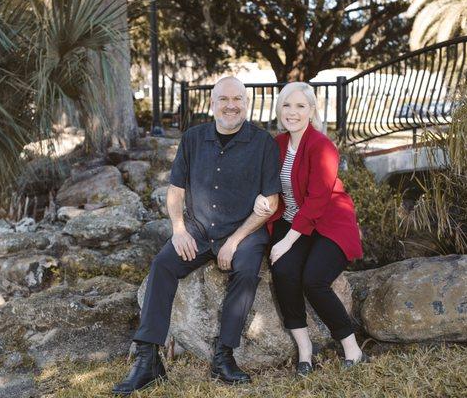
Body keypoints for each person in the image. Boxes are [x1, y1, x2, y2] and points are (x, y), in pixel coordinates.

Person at [112, 76, 282, 395]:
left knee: (246, 271)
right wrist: (178, 230)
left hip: (245, 231)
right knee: (162, 265)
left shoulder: (263, 143)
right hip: (198, 230)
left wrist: (233, 241)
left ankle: (224, 357)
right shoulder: (192, 138)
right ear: (213, 103)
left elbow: (271, 203)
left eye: (237, 100)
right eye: (223, 99)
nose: (231, 105)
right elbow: (175, 191)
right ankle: (148, 360)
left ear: (246, 103)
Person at [254, 82, 367, 377]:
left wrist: (285, 242)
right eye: (287, 105)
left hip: (328, 223)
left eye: (300, 106)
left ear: (312, 112)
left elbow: (317, 201)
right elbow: (265, 182)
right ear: (279, 109)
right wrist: (261, 198)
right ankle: (305, 351)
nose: (292, 112)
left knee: (314, 279)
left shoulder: (322, 146)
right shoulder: (277, 144)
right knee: (284, 272)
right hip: (291, 221)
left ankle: (352, 349)